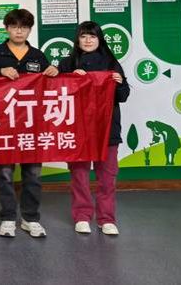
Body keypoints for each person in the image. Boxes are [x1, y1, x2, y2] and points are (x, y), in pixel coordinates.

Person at [0, 8, 58, 238]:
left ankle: (30, 218)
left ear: (29, 30)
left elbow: (50, 88)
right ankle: (8, 218)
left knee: (33, 173)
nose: (19, 31)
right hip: (3, 123)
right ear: (7, 29)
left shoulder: (37, 55)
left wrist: (55, 72)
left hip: (32, 124)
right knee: (5, 173)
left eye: (23, 27)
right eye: (14, 27)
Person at [59, 21, 129, 236]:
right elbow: (57, 95)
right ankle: (82, 216)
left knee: (107, 176)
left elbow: (123, 96)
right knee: (79, 175)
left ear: (100, 39)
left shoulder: (111, 62)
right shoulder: (67, 63)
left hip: (107, 129)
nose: (88, 40)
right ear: (77, 39)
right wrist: (71, 80)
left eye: (92, 36)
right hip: (78, 128)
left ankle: (106, 218)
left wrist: (119, 82)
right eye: (83, 36)